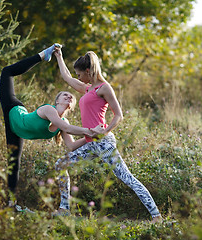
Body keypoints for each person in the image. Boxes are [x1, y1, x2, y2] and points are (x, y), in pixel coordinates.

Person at [53, 48, 162, 222]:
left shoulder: (104, 88)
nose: (78, 78)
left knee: (127, 178)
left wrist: (105, 130)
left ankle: (156, 215)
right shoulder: (88, 89)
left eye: (80, 74)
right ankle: (64, 209)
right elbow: (66, 76)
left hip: (104, 143)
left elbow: (118, 115)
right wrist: (59, 56)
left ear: (88, 72)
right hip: (90, 144)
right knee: (61, 164)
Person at [0, 43, 98, 212]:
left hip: (16, 131)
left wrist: (93, 137)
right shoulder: (49, 110)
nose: (68, 96)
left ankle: (11, 205)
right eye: (64, 95)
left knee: (14, 163)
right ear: (57, 101)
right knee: (7, 72)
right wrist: (90, 131)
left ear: (72, 106)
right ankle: (42, 55)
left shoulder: (65, 125)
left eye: (71, 97)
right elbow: (61, 124)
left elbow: (72, 146)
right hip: (14, 112)